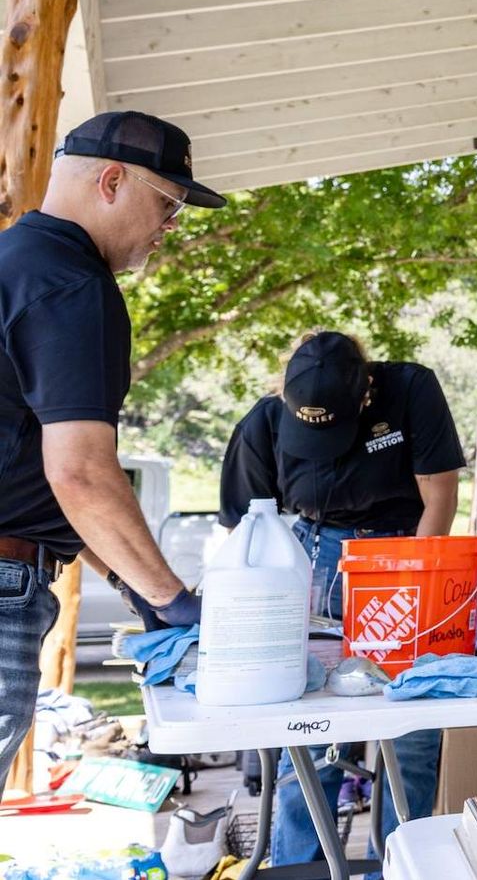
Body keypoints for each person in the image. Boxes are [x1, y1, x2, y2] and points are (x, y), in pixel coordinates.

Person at [0, 111, 223, 773]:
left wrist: (129, 580)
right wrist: (172, 599)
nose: (172, 223)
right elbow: (81, 474)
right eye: (167, 201)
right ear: (113, 180)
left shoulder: (15, 261)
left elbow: (35, 473)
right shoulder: (71, 284)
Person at [220, 330, 466, 862]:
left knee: (412, 734)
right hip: (315, 555)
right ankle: (300, 868)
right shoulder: (265, 421)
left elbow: (440, 495)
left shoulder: (410, 388)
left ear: (365, 394)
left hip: (407, 551)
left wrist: (410, 584)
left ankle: (400, 868)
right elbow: (246, 531)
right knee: (311, 730)